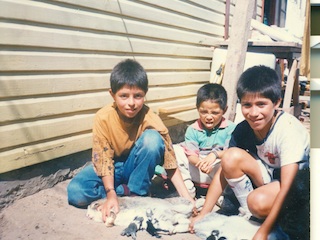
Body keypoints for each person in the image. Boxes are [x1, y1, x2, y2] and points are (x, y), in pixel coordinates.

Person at [189, 65, 310, 239]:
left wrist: (264, 231)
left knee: (257, 202)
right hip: (270, 178)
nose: (254, 113)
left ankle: (276, 219)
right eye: (247, 105)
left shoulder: (289, 130)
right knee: (230, 156)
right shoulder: (242, 129)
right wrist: (204, 214)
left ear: (276, 102)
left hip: (299, 186)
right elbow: (224, 170)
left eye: (261, 104)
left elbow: (289, 186)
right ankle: (249, 214)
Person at [67, 59, 195, 222]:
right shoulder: (103, 117)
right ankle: (124, 191)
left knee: (152, 139)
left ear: (145, 94)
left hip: (135, 166)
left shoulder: (151, 118)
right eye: (124, 96)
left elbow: (170, 162)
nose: (131, 103)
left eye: (138, 96)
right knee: (76, 192)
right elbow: (104, 160)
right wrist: (111, 193)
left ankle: (136, 192)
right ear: (112, 94)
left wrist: (187, 198)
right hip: (110, 167)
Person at [173, 83, 236, 198]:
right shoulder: (192, 129)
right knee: (175, 150)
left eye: (215, 113)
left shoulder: (230, 128)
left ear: (224, 110)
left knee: (232, 159)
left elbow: (231, 152)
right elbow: (191, 154)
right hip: (199, 168)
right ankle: (187, 191)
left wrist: (214, 155)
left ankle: (221, 194)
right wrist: (200, 164)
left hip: (217, 169)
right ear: (197, 108)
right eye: (204, 112)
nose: (209, 117)